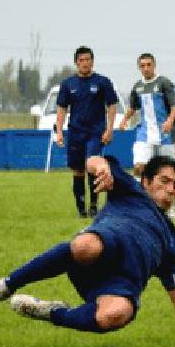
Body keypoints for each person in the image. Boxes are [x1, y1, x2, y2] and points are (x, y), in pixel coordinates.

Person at [0, 155, 175, 336]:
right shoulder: (131, 190)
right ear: (146, 181)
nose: (171, 189)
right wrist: (102, 168)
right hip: (101, 249)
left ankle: (51, 312)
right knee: (85, 245)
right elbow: (93, 160)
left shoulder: (172, 239)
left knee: (114, 316)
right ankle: (3, 287)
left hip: (120, 283)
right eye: (165, 181)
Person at [56, 46, 119, 218]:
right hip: (76, 133)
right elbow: (62, 108)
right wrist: (59, 132)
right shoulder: (68, 84)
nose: (85, 63)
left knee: (92, 167)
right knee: (77, 171)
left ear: (92, 61)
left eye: (88, 60)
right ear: (76, 62)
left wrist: (109, 129)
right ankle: (81, 209)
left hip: (95, 132)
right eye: (81, 60)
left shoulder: (102, 82)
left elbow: (112, 105)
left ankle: (93, 206)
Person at [118, 53, 175, 217]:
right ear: (139, 67)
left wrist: (169, 121)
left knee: (170, 174)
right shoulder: (137, 87)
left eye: (149, 65)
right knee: (139, 167)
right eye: (143, 65)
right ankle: (141, 204)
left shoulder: (164, 83)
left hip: (165, 135)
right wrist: (125, 119)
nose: (146, 68)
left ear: (154, 65)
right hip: (144, 134)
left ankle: (172, 206)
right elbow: (133, 107)